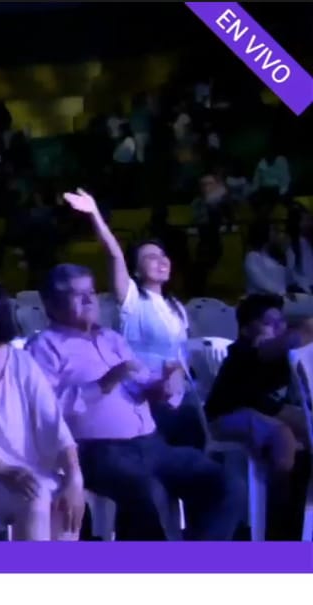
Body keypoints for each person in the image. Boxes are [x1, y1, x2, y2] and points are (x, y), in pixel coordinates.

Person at [27, 264, 243, 540]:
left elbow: (142, 383)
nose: (89, 300)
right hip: (95, 451)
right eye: (77, 295)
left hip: (150, 443)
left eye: (91, 292)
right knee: (147, 492)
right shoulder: (44, 347)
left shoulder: (111, 339)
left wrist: (164, 386)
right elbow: (44, 409)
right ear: (51, 304)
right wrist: (102, 385)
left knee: (225, 483)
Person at [65, 189, 202, 449]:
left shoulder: (176, 307)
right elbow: (114, 255)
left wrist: (178, 375)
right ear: (136, 271)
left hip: (179, 395)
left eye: (162, 255)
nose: (160, 261)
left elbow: (183, 354)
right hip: (144, 397)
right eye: (150, 257)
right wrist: (95, 214)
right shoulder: (132, 301)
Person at [0, 282, 85, 541]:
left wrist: (74, 479)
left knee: (64, 498)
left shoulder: (21, 362)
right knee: (35, 495)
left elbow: (53, 423)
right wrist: (5, 472)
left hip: (27, 470)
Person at [204, 294, 313, 539]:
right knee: (284, 437)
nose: (278, 328)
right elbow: (302, 332)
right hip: (225, 416)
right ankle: (278, 525)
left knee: (305, 428)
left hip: (261, 410)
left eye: (281, 322)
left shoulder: (280, 356)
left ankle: (299, 511)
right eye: (268, 323)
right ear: (246, 329)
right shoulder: (247, 351)